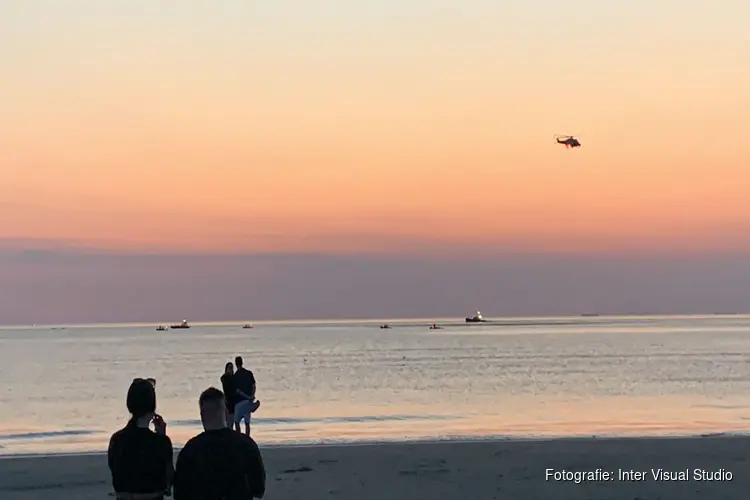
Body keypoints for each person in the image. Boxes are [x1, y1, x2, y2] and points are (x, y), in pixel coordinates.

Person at [173, 387, 266, 500]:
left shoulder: (190, 450)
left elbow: (180, 494)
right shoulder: (246, 445)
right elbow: (259, 489)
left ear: (202, 415)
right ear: (226, 413)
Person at [108, 378, 174, 500]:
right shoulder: (161, 443)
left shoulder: (117, 440)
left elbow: (116, 475)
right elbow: (168, 483)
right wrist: (162, 438)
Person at [232, 356, 259, 436]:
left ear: (236, 364)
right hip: (248, 402)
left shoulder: (235, 376)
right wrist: (252, 396)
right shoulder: (248, 373)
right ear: (242, 362)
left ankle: (239, 438)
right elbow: (254, 386)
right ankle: (247, 438)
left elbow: (237, 391)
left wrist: (248, 397)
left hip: (239, 401)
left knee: (237, 422)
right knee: (247, 423)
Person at [220, 362, 237, 428]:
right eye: (229, 368)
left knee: (231, 421)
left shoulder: (233, 378)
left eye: (231, 368)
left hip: (232, 402)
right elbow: (227, 389)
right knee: (228, 421)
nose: (231, 369)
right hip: (227, 401)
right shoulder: (225, 378)